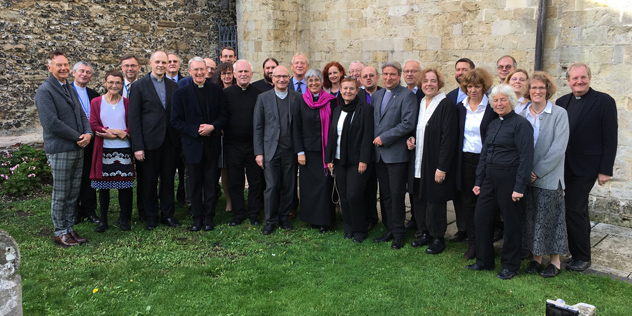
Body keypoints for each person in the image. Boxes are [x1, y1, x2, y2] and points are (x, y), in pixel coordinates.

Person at [467, 84, 533, 280]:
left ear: (511, 101)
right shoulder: (493, 124)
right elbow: (484, 154)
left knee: (512, 223)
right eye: (495, 100)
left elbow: (526, 157)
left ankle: (510, 266)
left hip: (510, 180)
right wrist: (479, 180)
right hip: (489, 179)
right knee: (481, 218)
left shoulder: (521, 124)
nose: (499, 103)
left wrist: (519, 187)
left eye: (503, 99)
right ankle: (484, 261)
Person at [556, 63, 618, 272]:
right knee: (574, 209)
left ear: (589, 78)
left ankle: (582, 256)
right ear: (568, 81)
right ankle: (574, 251)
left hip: (588, 166)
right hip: (564, 166)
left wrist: (605, 170)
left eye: (582, 77)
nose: (579, 81)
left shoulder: (604, 101)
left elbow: (610, 138)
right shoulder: (562, 102)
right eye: (574, 78)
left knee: (574, 207)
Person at [35, 51, 92, 246]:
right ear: (49, 67)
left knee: (73, 192)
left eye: (66, 64)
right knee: (61, 193)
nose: (64, 68)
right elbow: (51, 123)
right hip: (60, 149)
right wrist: (78, 137)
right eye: (59, 65)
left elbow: (82, 115)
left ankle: (69, 228)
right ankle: (60, 232)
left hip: (77, 148)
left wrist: (88, 133)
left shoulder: (69, 88)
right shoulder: (45, 91)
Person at [519, 71, 570, 278]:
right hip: (527, 177)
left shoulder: (559, 114)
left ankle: (555, 262)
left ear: (547, 90)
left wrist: (537, 172)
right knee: (532, 220)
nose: (537, 91)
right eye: (533, 88)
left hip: (549, 177)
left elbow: (558, 148)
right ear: (528, 91)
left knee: (552, 220)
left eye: (541, 88)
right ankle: (535, 260)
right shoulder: (522, 114)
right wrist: (525, 173)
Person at [171, 57, 228, 231]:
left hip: (212, 144)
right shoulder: (180, 93)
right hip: (192, 145)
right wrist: (196, 129)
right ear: (189, 72)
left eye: (202, 69)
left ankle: (209, 218)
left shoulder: (217, 91)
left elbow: (224, 116)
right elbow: (176, 120)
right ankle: (197, 218)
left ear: (207, 71)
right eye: (195, 70)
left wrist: (212, 127)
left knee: (211, 182)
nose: (199, 73)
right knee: (194, 183)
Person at [406, 68, 458, 255]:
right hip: (419, 159)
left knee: (435, 201)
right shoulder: (420, 102)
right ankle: (425, 232)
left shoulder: (446, 105)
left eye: (433, 81)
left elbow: (448, 139)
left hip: (435, 163)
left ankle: (438, 237)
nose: (429, 84)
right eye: (426, 81)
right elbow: (417, 129)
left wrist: (442, 167)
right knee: (419, 198)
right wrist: (411, 139)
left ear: (439, 83)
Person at [128, 50, 181, 230]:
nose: (161, 65)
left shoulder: (174, 86)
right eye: (157, 62)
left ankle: (167, 215)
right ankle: (151, 216)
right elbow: (133, 119)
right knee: (149, 181)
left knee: (167, 180)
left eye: (164, 62)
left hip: (169, 141)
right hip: (148, 142)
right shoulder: (139, 86)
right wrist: (138, 146)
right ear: (150, 63)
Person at [371, 61, 418, 250]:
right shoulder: (378, 95)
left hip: (396, 155)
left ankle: (399, 233)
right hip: (379, 155)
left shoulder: (407, 96)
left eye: (392, 74)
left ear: (399, 76)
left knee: (397, 195)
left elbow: (408, 123)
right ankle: (389, 228)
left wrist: (385, 137)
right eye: (385, 74)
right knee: (385, 195)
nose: (388, 77)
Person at [454, 68, 497, 259]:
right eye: (469, 86)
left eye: (477, 86)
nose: (473, 90)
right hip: (465, 161)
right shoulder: (460, 107)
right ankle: (473, 243)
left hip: (486, 161)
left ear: (484, 87)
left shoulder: (492, 108)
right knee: (468, 204)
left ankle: (486, 243)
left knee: (486, 204)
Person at [253, 65, 301, 235]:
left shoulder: (297, 98)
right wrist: (259, 152)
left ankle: (284, 217)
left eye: (285, 76)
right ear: (272, 79)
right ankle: (270, 220)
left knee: (288, 185)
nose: (281, 79)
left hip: (290, 149)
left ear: (289, 78)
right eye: (278, 76)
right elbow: (258, 127)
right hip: (270, 150)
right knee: (272, 185)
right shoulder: (263, 98)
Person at [326, 77, 374, 242]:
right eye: (345, 88)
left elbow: (367, 136)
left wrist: (364, 159)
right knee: (344, 195)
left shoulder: (365, 109)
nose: (348, 91)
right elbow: (333, 135)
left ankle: (360, 230)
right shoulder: (338, 110)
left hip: (357, 162)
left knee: (354, 195)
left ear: (357, 90)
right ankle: (348, 228)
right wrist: (329, 158)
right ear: (340, 90)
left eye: (351, 89)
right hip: (339, 160)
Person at [89, 70, 134, 233]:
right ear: (105, 82)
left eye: (117, 83)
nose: (114, 86)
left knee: (125, 187)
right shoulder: (96, 102)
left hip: (123, 150)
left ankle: (124, 220)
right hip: (104, 149)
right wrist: (114, 131)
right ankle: (103, 220)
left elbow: (131, 125)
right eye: (111, 82)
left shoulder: (127, 103)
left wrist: (125, 132)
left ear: (122, 84)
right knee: (104, 187)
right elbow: (93, 124)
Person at [293, 69, 337, 232]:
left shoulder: (331, 101)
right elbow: (296, 128)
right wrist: (300, 152)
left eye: (316, 80)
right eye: (310, 80)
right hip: (307, 153)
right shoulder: (300, 101)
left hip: (326, 152)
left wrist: (332, 153)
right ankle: (312, 219)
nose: (313, 83)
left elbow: (334, 128)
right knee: (309, 187)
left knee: (325, 186)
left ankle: (324, 221)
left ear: (321, 82)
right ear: (306, 83)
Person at [224, 60, 264, 226]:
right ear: (234, 74)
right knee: (236, 180)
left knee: (255, 181)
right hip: (233, 144)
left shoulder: (259, 94)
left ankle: (254, 213)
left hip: (253, 145)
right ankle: (238, 213)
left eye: (246, 71)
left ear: (252, 74)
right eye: (240, 72)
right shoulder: (226, 94)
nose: (243, 74)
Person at [71, 61, 101, 225]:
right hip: (74, 140)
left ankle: (89, 209)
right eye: (81, 71)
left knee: (89, 177)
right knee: (74, 178)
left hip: (91, 140)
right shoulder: (66, 92)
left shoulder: (94, 94)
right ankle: (75, 211)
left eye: (88, 72)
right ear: (73, 73)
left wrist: (90, 135)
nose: (84, 75)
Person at [119, 54, 145, 222]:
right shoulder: (115, 87)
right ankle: (125, 214)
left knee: (143, 177)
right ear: (122, 68)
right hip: (119, 139)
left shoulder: (144, 87)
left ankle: (143, 210)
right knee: (123, 176)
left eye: (133, 66)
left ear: (139, 68)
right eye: (126, 66)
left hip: (140, 137)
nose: (130, 69)